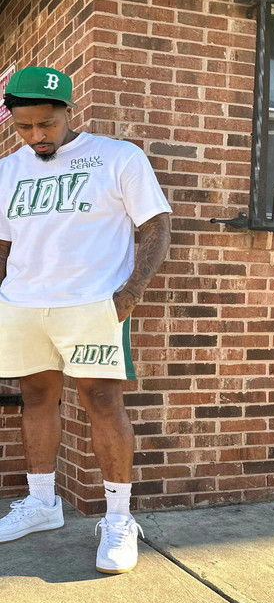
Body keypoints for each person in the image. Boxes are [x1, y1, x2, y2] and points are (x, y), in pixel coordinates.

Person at [0, 66, 171, 574]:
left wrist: (131, 291)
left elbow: (157, 224)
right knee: (35, 397)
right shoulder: (7, 170)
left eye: (47, 124)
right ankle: (42, 503)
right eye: (24, 126)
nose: (36, 135)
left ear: (68, 111)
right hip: (23, 302)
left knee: (101, 400)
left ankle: (119, 519)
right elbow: (3, 243)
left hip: (94, 302)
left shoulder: (117, 157)